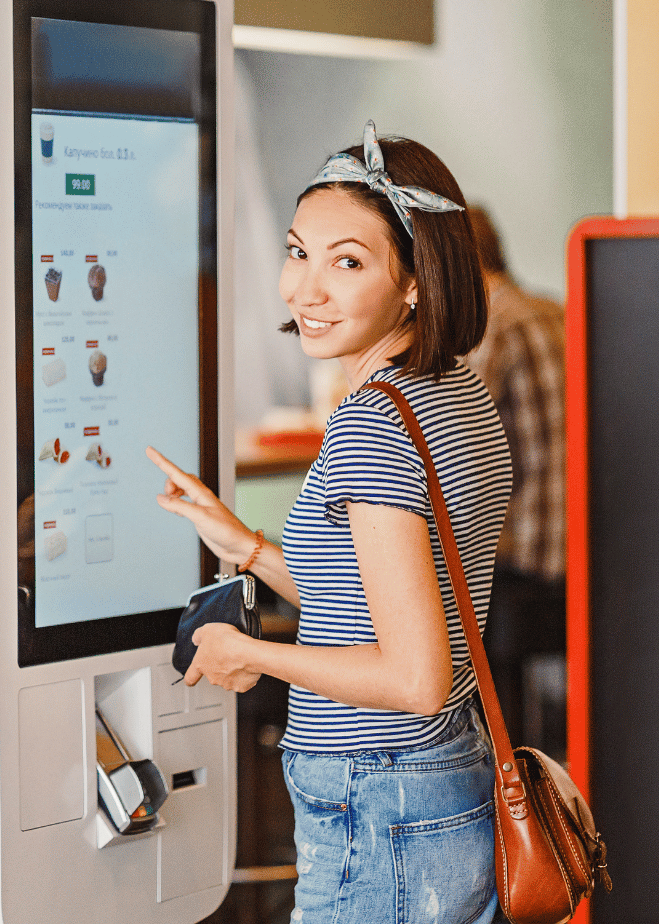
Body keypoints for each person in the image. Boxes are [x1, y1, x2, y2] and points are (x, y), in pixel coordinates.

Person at [147, 123, 512, 924]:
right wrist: (248, 547)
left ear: (415, 281)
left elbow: (413, 678)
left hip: (376, 792)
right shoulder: (455, 395)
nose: (303, 288)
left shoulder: (372, 422)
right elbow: (380, 603)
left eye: (347, 261)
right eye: (298, 250)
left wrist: (250, 652)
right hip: (442, 774)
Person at [462, 206, 568, 755]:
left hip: (523, 560)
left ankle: (497, 786)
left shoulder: (491, 328)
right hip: (582, 557)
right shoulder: (555, 310)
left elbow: (451, 443)